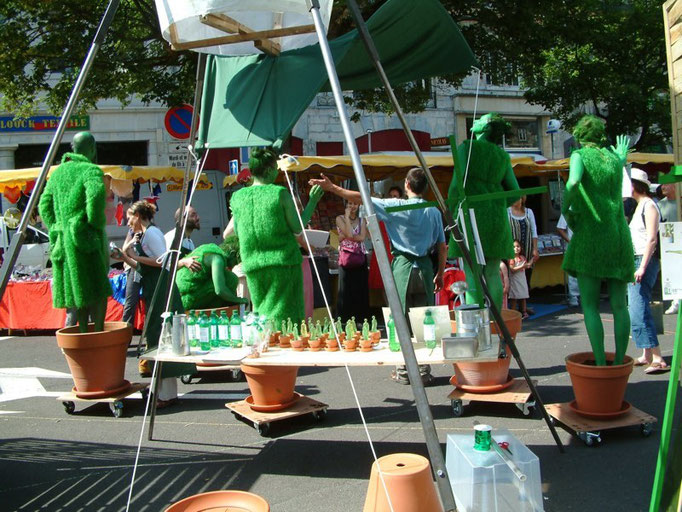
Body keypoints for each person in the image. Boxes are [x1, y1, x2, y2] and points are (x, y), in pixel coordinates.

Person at [310, 168, 446, 385]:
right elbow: (442, 245)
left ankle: (403, 370)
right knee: (424, 320)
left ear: (407, 185)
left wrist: (332, 187)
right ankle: (423, 370)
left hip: (402, 265)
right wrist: (440, 272)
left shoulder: (396, 205)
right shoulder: (433, 211)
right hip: (425, 266)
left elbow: (361, 198)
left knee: (401, 319)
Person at [561, 115, 634, 367]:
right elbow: (618, 174)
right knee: (619, 305)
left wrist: (564, 206)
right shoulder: (614, 159)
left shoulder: (579, 155)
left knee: (590, 306)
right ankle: (620, 363)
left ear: (579, 136)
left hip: (592, 235)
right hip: (618, 236)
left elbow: (573, 182)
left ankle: (601, 362)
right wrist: (622, 159)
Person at [224, 147, 323, 327]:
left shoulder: (237, 197)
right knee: (287, 319)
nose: (278, 171)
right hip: (283, 265)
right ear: (269, 170)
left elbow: (237, 232)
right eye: (275, 168)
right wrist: (313, 202)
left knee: (262, 316)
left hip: (253, 266)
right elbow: (298, 228)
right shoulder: (279, 193)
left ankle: (264, 346)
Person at [114, 200, 192, 408]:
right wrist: (126, 256)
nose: (128, 221)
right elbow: (140, 267)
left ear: (138, 215)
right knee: (158, 337)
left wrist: (134, 255)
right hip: (153, 289)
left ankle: (166, 395)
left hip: (162, 289)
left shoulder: (152, 234)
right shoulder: (142, 235)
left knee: (161, 338)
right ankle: (164, 392)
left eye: (130, 217)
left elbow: (162, 260)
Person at [38, 131, 111, 332]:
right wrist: (94, 223)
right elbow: (96, 196)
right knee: (98, 289)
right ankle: (97, 332)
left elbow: (43, 205)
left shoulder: (58, 173)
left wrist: (56, 227)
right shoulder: (90, 170)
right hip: (86, 238)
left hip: (63, 241)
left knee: (76, 292)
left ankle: (82, 334)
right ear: (92, 148)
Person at [447, 112, 520, 308]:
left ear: (486, 127)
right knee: (492, 272)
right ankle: (497, 325)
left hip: (470, 215)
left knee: (473, 272)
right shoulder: (502, 156)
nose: (476, 121)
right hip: (496, 218)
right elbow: (515, 192)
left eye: (480, 119)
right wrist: (496, 204)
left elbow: (456, 185)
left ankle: (477, 324)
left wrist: (451, 210)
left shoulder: (467, 148)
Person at [628, 168, 668, 373]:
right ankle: (646, 353)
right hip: (638, 259)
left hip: (644, 260)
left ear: (635, 185)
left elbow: (652, 238)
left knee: (638, 309)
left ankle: (658, 357)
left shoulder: (649, 205)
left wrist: (642, 266)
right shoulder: (640, 205)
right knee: (636, 307)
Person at [175, 237, 248, 311]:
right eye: (235, 262)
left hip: (178, 297)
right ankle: (227, 311)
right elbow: (220, 290)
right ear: (232, 253)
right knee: (231, 278)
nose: (234, 265)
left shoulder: (209, 249)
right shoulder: (217, 259)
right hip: (186, 300)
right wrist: (239, 300)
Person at [336, 200, 369, 324]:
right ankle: (344, 321)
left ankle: (361, 320)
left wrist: (345, 236)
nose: (352, 206)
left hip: (360, 257)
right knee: (345, 289)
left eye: (355, 204)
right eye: (349, 204)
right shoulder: (340, 218)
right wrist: (346, 217)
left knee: (360, 289)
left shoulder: (362, 220)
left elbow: (361, 237)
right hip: (345, 256)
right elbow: (350, 233)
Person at [508, 196, 538, 312]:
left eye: (518, 198)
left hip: (527, 248)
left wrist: (535, 249)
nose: (516, 200)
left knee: (525, 278)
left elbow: (534, 231)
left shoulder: (529, 212)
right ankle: (514, 307)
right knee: (513, 278)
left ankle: (524, 307)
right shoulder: (508, 212)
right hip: (513, 250)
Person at [658, 183, 680, 315]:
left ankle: (676, 301)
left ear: (675, 186)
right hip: (667, 243)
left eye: (667, 184)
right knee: (670, 273)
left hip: (679, 240)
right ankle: (675, 300)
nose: (663, 187)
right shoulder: (660, 205)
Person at [164, 206, 202, 273]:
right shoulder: (172, 237)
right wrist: (183, 262)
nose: (198, 218)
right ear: (182, 219)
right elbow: (166, 265)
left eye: (196, 215)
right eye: (193, 215)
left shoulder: (189, 242)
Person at [556, 213, 580, 307]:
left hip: (586, 244)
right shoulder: (567, 210)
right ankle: (574, 296)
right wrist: (570, 241)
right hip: (573, 246)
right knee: (573, 271)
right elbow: (560, 228)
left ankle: (581, 295)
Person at [508, 240, 531, 319]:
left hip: (522, 279)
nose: (516, 248)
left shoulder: (522, 257)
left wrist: (531, 261)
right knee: (514, 297)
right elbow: (512, 269)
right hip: (514, 280)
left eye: (518, 246)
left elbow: (527, 266)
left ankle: (524, 311)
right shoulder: (512, 259)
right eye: (514, 247)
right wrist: (523, 266)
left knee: (523, 295)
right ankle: (513, 312)